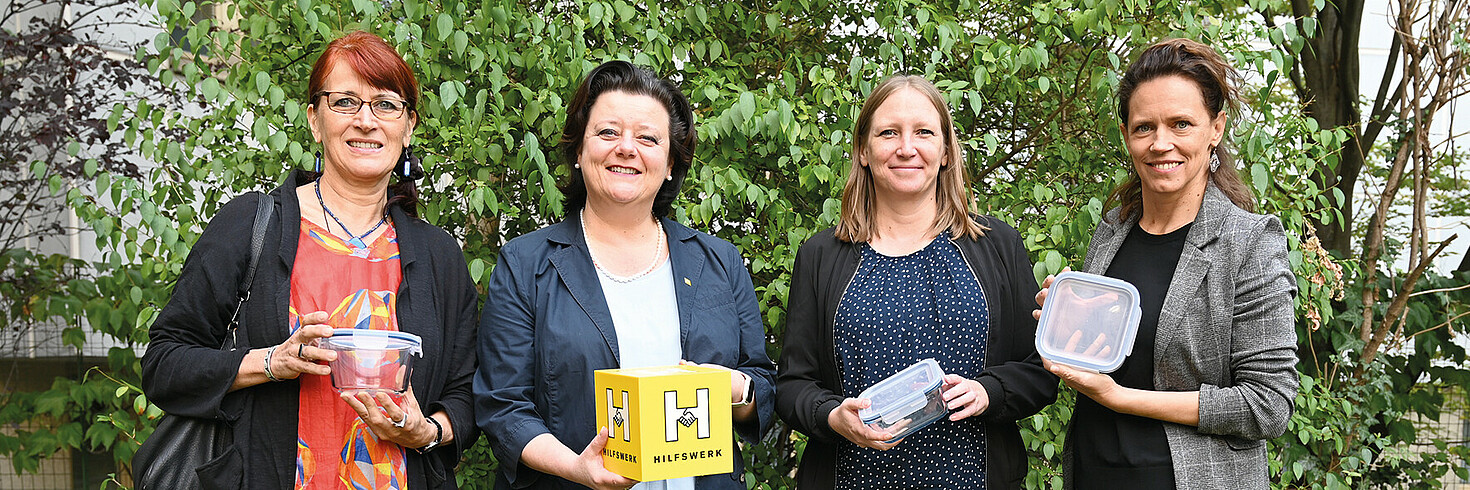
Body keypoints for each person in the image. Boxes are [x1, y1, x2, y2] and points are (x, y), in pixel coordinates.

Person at [141, 31, 479, 489]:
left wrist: (425, 432)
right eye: (344, 102)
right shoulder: (252, 225)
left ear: (409, 125)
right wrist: (270, 362)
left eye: (385, 104)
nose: (366, 120)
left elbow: (467, 395)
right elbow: (164, 365)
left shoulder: (439, 256)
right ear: (315, 120)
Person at [474, 60, 777, 490]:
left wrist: (735, 390)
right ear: (579, 152)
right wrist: (575, 467)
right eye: (608, 132)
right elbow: (502, 405)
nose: (626, 148)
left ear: (671, 163)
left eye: (648, 138)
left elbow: (761, 384)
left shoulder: (719, 263)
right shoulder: (526, 264)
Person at [1034, 38, 1298, 489]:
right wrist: (1065, 324)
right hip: (1096, 472)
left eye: (1181, 124)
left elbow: (1268, 405)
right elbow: (1107, 353)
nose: (1161, 144)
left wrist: (1123, 399)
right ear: (1126, 135)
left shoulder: (1249, 243)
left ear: (1215, 128)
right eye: (1144, 127)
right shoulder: (1113, 229)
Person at [775, 75, 1057, 489]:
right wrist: (831, 415)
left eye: (923, 132)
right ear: (864, 152)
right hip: (852, 478)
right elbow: (792, 384)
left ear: (945, 152)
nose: (906, 148)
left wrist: (989, 391)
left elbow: (1038, 371)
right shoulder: (821, 256)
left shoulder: (998, 246)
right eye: (888, 133)